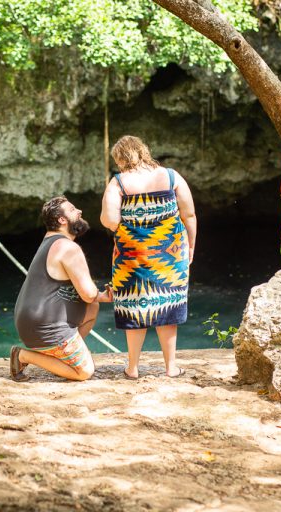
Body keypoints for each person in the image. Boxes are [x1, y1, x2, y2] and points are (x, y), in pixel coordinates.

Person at [100, 135, 197, 379]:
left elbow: (110, 221)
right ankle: (170, 368)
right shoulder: (172, 176)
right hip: (170, 254)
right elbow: (190, 215)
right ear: (143, 151)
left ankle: (132, 368)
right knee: (168, 306)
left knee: (135, 307)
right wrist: (191, 247)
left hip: (131, 257)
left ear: (121, 158)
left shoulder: (119, 182)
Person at [10, 196, 113, 382]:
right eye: (73, 209)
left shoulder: (48, 242)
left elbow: (91, 300)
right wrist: (102, 295)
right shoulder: (68, 247)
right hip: (46, 328)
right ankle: (23, 356)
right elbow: (89, 294)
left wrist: (102, 297)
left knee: (93, 308)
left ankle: (61, 357)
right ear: (62, 220)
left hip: (28, 325)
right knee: (84, 372)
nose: (79, 211)